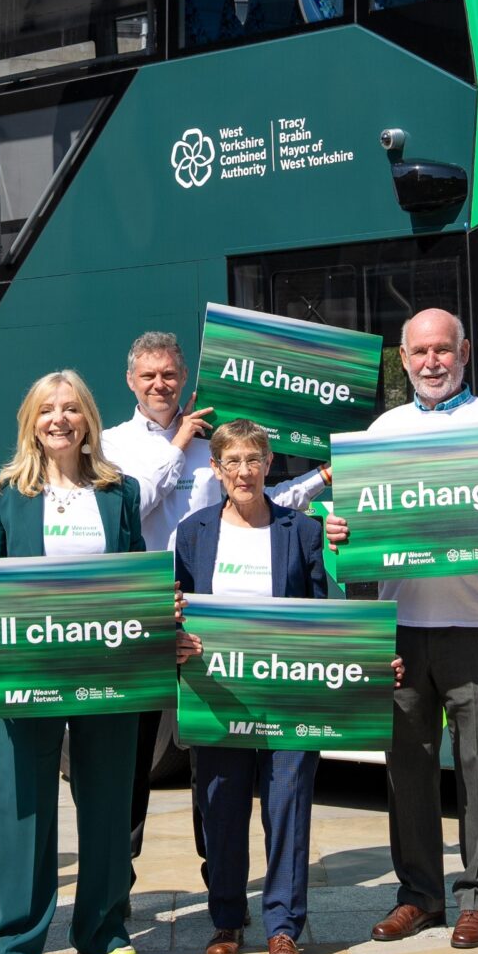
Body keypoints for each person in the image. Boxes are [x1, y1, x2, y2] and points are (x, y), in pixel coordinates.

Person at [323, 309, 478, 951]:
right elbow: (359, 526)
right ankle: (418, 895)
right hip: (400, 628)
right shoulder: (382, 430)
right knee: (408, 769)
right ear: (403, 359)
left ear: (465, 351)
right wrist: (343, 531)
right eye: (420, 352)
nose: (432, 362)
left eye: (443, 350)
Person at [100, 331, 326, 857]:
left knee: (213, 760)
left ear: (183, 378)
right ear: (130, 381)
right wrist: (178, 447)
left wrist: (321, 478)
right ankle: (120, 887)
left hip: (207, 619)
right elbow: (125, 515)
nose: (160, 384)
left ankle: (219, 883)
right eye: (149, 375)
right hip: (143, 613)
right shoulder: (112, 445)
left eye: (170, 374)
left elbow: (258, 501)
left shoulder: (215, 442)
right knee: (132, 761)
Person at [0, 370, 151, 954]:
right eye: (46, 409)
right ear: (31, 421)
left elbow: (136, 571)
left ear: (88, 421)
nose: (59, 419)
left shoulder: (119, 489)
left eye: (71, 408)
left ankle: (104, 929)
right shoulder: (4, 489)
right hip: (24, 670)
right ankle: (13, 947)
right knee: (23, 807)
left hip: (108, 669)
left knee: (108, 801)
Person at [170, 420, 333, 954]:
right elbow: (174, 609)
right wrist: (175, 639)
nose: (244, 471)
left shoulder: (301, 531)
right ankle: (225, 918)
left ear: (269, 466)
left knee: (288, 806)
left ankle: (284, 929)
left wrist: (373, 657)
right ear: (215, 469)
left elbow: (328, 613)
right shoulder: (192, 534)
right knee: (221, 806)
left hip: (288, 697)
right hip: (217, 695)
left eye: (254, 460)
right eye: (232, 461)